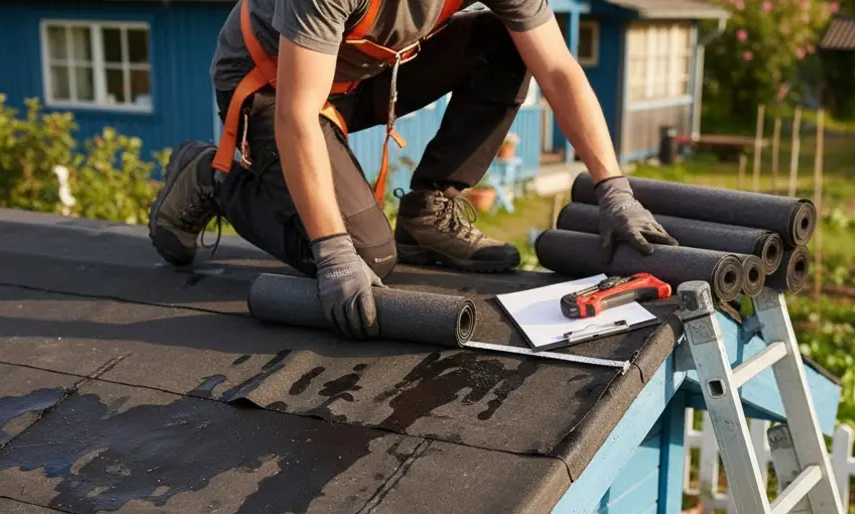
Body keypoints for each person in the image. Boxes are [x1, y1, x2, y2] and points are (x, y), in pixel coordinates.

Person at [148, 0, 675, 338]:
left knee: (505, 43)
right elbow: (295, 114)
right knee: (366, 261)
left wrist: (614, 190)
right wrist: (332, 252)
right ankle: (216, 179)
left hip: (361, 75)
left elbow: (557, 69)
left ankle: (429, 212)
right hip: (271, 87)